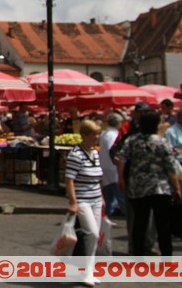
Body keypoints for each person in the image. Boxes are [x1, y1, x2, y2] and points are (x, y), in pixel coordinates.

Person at [118, 109, 182, 256]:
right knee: (163, 224)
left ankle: (138, 255)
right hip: (160, 187)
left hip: (137, 186)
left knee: (139, 222)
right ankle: (167, 257)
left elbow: (122, 159)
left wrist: (121, 178)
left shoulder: (132, 140)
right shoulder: (162, 142)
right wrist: (177, 187)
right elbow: (171, 167)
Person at [65, 119, 104, 287]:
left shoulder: (95, 153)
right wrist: (73, 202)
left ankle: (89, 269)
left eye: (98, 134)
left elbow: (97, 178)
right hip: (82, 200)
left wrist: (101, 196)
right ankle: (85, 270)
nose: (96, 137)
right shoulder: (76, 154)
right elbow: (69, 180)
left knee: (94, 237)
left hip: (95, 198)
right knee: (92, 233)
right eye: (94, 134)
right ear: (84, 135)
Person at [101, 112, 127, 217]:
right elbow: (113, 151)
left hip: (105, 166)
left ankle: (106, 214)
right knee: (119, 194)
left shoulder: (104, 133)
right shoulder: (113, 135)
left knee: (109, 194)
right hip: (113, 168)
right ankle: (127, 214)